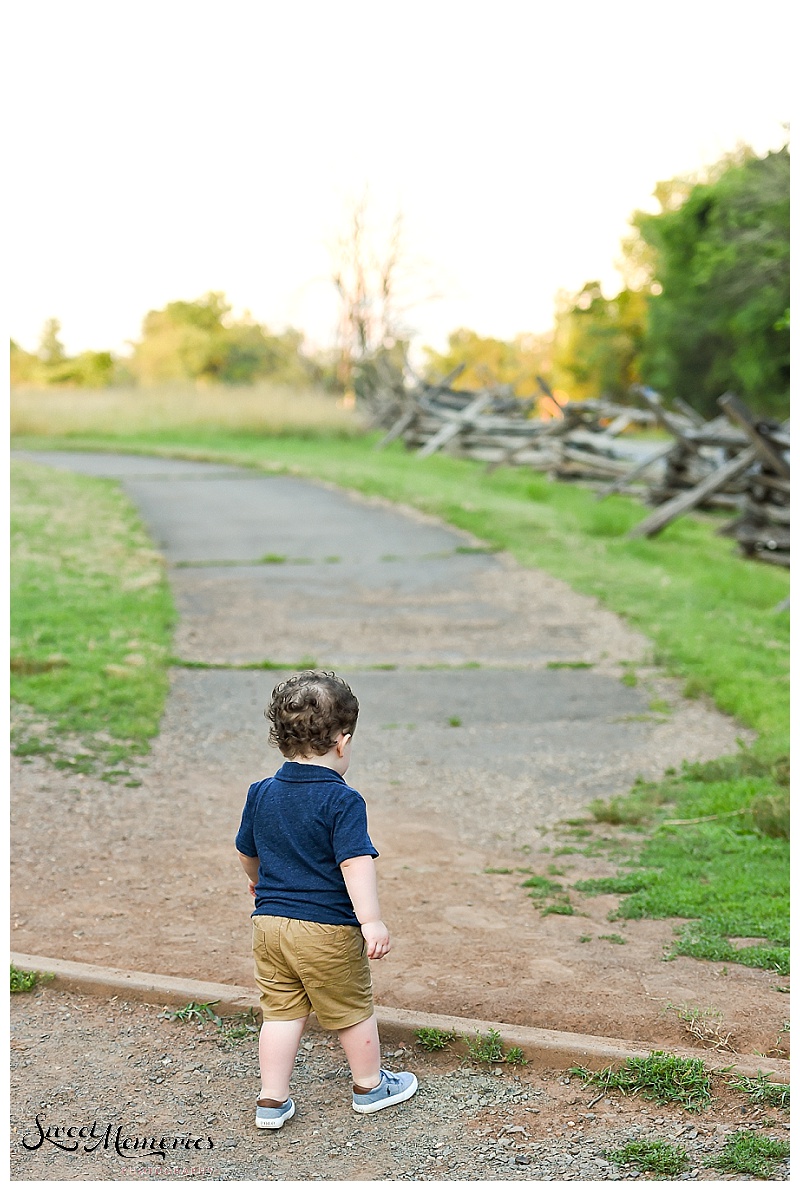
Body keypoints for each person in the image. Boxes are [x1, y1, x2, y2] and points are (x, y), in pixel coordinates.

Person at [235, 670, 418, 1130]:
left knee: (280, 1011)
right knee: (351, 1010)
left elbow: (246, 850)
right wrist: (371, 920)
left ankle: (271, 1100)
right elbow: (355, 862)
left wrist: (259, 883)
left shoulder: (261, 793)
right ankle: (371, 1086)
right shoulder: (342, 801)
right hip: (327, 930)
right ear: (342, 740)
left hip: (270, 925)